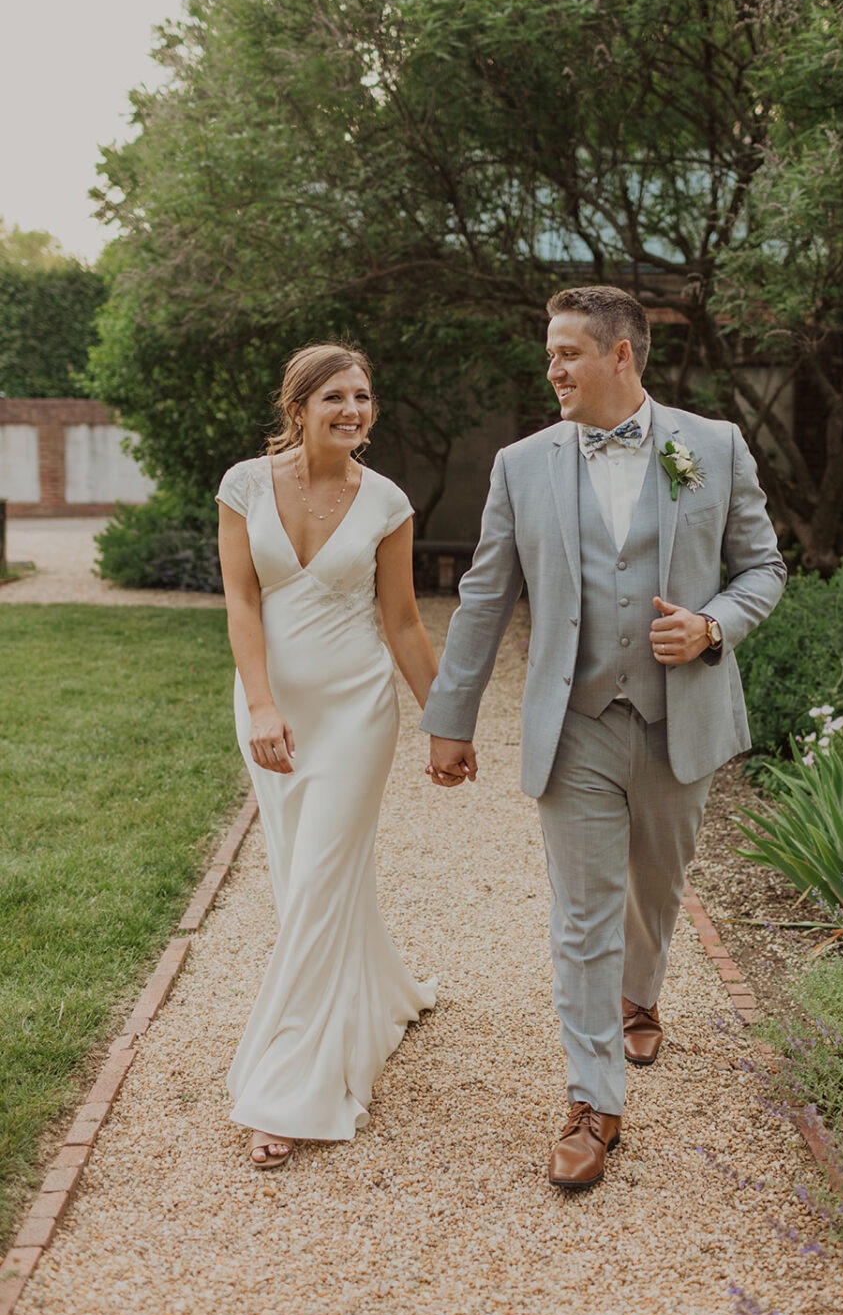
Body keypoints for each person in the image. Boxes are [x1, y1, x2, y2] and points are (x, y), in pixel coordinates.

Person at [422, 286, 785, 1189]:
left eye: (567, 354)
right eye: (549, 355)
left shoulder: (713, 447)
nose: (552, 371)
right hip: (574, 722)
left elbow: (764, 570)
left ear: (622, 356)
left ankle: (642, 994)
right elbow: (484, 595)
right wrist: (450, 718)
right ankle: (594, 1100)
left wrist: (711, 627)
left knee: (655, 889)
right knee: (582, 916)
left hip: (678, 720)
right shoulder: (522, 464)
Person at [217, 342, 437, 1169]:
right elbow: (242, 600)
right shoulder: (245, 485)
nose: (353, 410)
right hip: (270, 708)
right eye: (336, 397)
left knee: (316, 879)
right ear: (299, 407)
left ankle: (288, 1088)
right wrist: (263, 705)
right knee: (300, 877)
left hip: (354, 712)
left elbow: (405, 623)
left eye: (364, 397)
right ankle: (380, 988)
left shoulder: (386, 502)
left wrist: (445, 722)